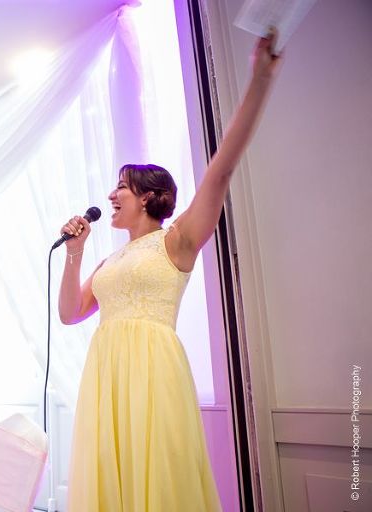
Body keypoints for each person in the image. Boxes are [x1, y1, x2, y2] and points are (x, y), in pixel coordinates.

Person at [58, 36, 281, 511]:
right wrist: (75, 252)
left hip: (152, 367)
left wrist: (259, 81)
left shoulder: (175, 240)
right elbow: (69, 313)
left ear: (147, 197)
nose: (113, 194)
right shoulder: (109, 260)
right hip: (106, 369)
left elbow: (219, 173)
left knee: (156, 472)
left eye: (122, 186)